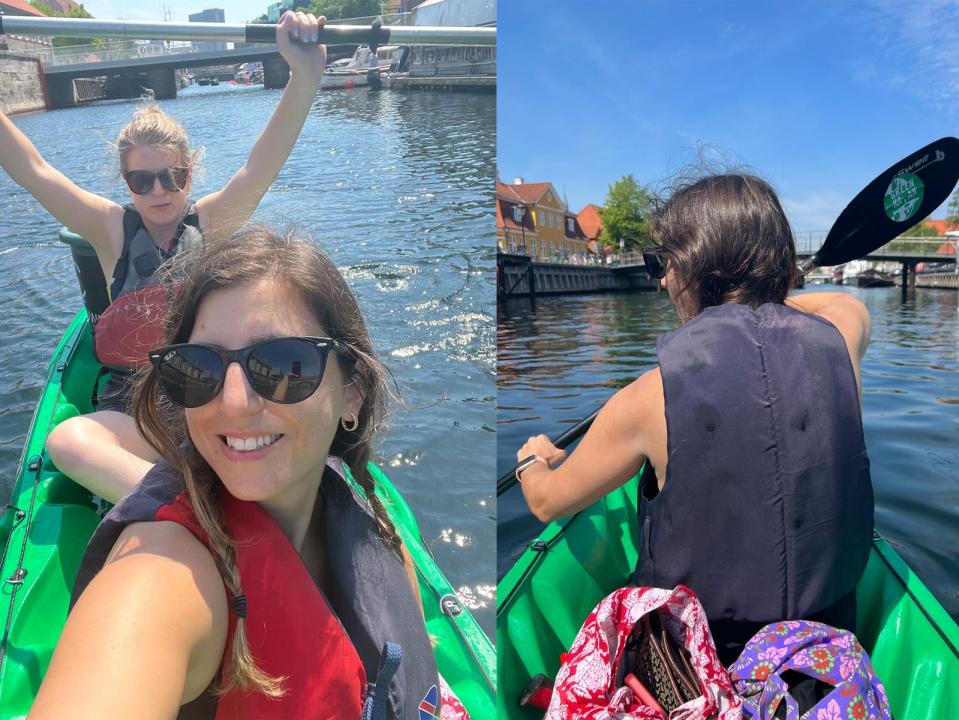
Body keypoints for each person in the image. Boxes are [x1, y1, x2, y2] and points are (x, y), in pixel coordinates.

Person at [29, 227, 442, 718]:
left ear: (351, 391)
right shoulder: (160, 581)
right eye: (198, 368)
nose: (233, 403)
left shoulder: (377, 533)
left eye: (285, 364)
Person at [515, 173, 874, 666]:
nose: (660, 279)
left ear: (693, 267)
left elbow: (545, 502)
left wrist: (532, 458)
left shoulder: (644, 398)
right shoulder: (843, 340)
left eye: (662, 263)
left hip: (699, 672)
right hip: (829, 656)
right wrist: (766, 299)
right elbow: (843, 302)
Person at [0, 11, 327, 504]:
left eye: (171, 177)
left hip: (207, 398)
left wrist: (305, 75)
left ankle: (198, 491)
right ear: (126, 183)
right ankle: (198, 510)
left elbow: (263, 162)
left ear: (189, 175)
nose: (159, 191)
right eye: (142, 180)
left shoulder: (210, 221)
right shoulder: (111, 228)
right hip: (140, 407)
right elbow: (34, 170)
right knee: (68, 443)